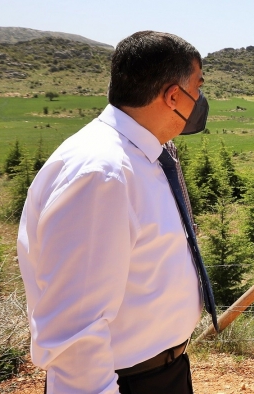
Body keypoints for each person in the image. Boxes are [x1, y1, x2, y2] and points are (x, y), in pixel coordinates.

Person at [17, 31, 217, 393]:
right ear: (174, 96)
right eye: (198, 87)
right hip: (125, 382)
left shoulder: (144, 154)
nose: (200, 100)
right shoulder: (101, 174)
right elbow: (75, 332)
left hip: (163, 371)